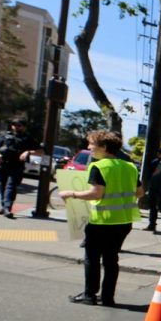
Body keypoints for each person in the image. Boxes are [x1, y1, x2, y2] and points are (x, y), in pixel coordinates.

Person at [60, 130, 142, 306]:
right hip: (124, 221)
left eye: (92, 144)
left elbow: (95, 194)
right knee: (112, 259)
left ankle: (89, 295)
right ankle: (107, 297)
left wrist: (71, 193)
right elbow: (140, 192)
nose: (89, 147)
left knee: (92, 257)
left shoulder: (98, 166)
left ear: (104, 147)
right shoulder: (130, 167)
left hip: (102, 221)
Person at [0, 119, 42, 218]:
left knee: (11, 186)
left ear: (24, 127)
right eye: (14, 125)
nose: (16, 127)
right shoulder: (6, 136)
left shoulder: (27, 138)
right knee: (3, 186)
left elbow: (41, 151)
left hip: (17, 166)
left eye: (19, 125)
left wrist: (28, 152)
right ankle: (4, 207)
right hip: (3, 164)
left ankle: (7, 208)